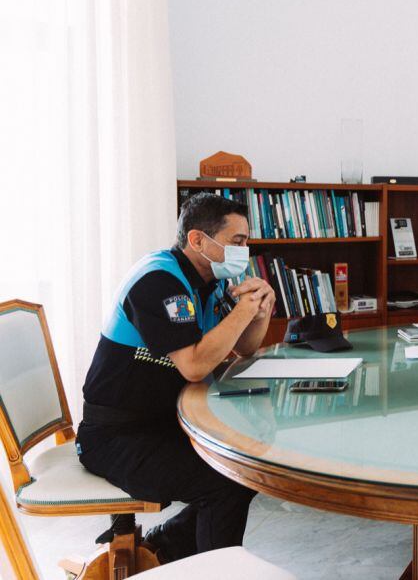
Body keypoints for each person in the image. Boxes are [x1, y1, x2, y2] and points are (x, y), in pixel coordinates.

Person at [76, 192, 276, 562]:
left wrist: (259, 311)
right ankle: (214, 568)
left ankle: (164, 548)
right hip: (114, 436)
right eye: (237, 241)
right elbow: (195, 365)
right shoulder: (157, 282)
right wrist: (242, 310)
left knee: (247, 465)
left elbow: (243, 349)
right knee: (223, 481)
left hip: (162, 423)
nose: (244, 251)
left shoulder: (208, 280)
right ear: (198, 240)